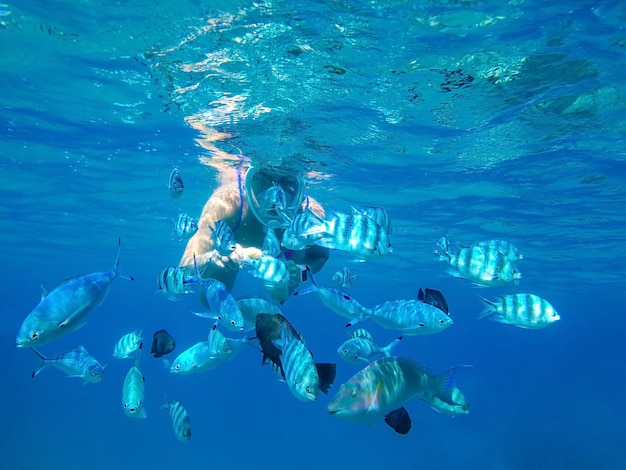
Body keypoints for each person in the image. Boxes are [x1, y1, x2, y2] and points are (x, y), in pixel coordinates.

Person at [179, 163, 330, 303]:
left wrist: (298, 272)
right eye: (264, 178)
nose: (275, 196)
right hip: (231, 255)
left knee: (281, 296)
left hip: (285, 266)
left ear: (301, 189)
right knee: (210, 300)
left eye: (287, 181)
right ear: (247, 185)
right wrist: (213, 259)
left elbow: (320, 256)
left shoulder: (310, 217)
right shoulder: (227, 205)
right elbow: (184, 265)